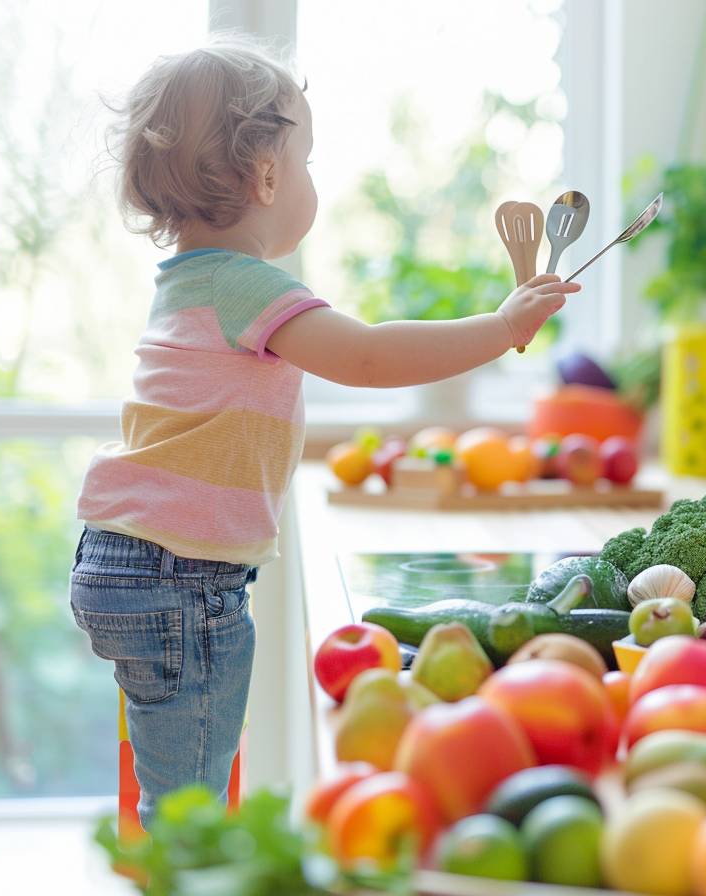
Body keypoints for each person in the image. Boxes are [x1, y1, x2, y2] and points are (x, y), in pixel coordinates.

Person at [69, 38, 576, 828]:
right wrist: (501, 326)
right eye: (305, 161)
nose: (308, 179)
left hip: (127, 560)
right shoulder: (246, 287)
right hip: (180, 581)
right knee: (192, 805)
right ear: (267, 176)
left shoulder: (187, 283)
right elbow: (368, 356)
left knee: (174, 778)